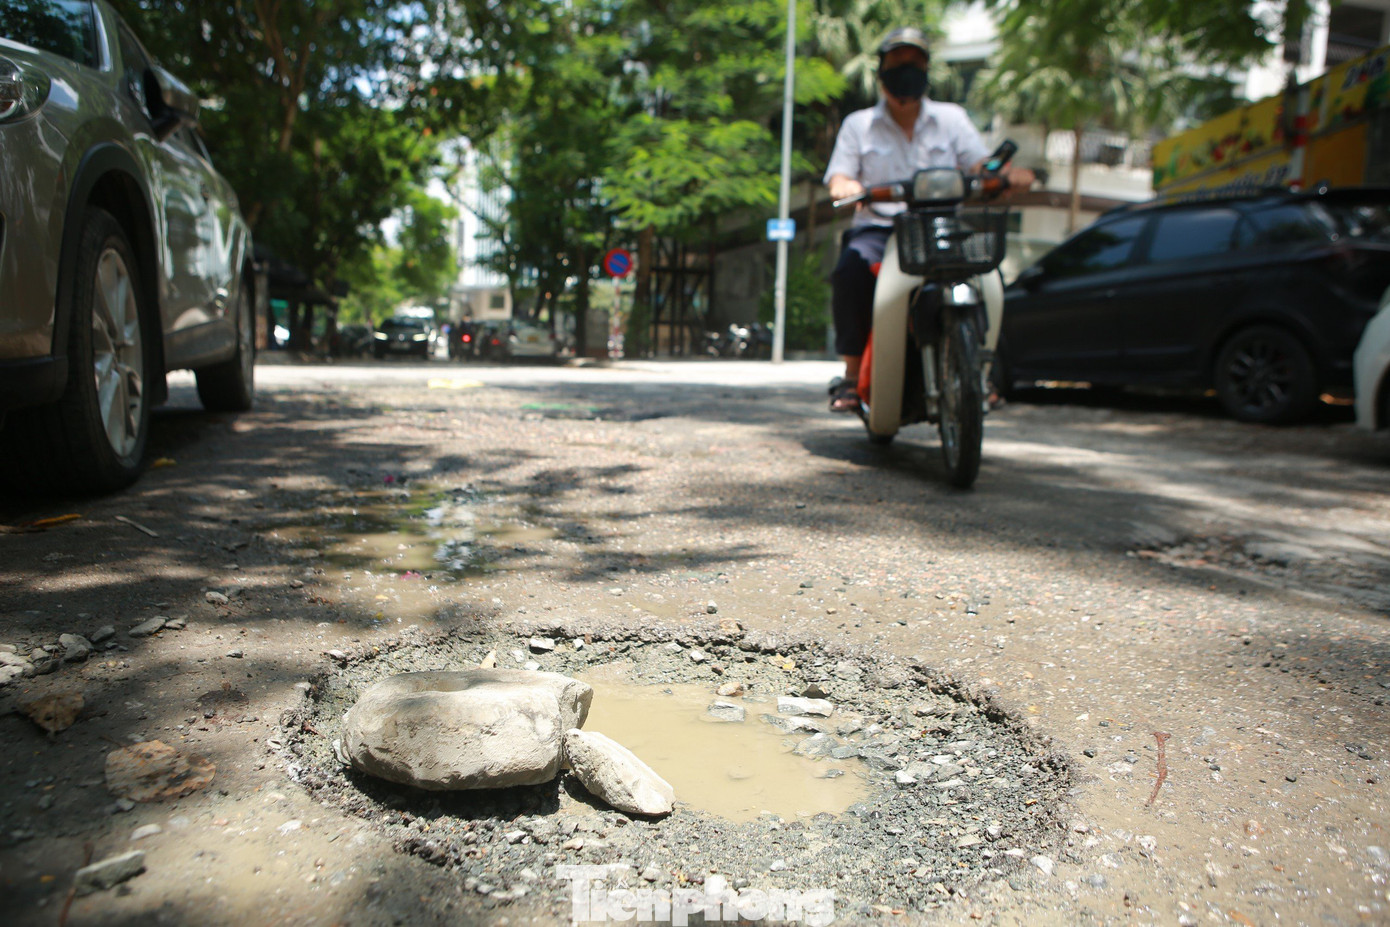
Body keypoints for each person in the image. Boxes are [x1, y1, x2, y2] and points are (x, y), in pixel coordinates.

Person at [823, 27, 1034, 412]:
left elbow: (978, 163)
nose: (906, 70)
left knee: (987, 275)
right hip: (880, 228)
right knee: (849, 271)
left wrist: (1004, 176)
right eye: (898, 62)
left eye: (915, 63)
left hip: (940, 228)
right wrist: (844, 185)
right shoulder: (859, 124)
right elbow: (839, 176)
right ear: (882, 71)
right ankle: (852, 376)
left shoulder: (951, 119)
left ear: (927, 70)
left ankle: (982, 372)